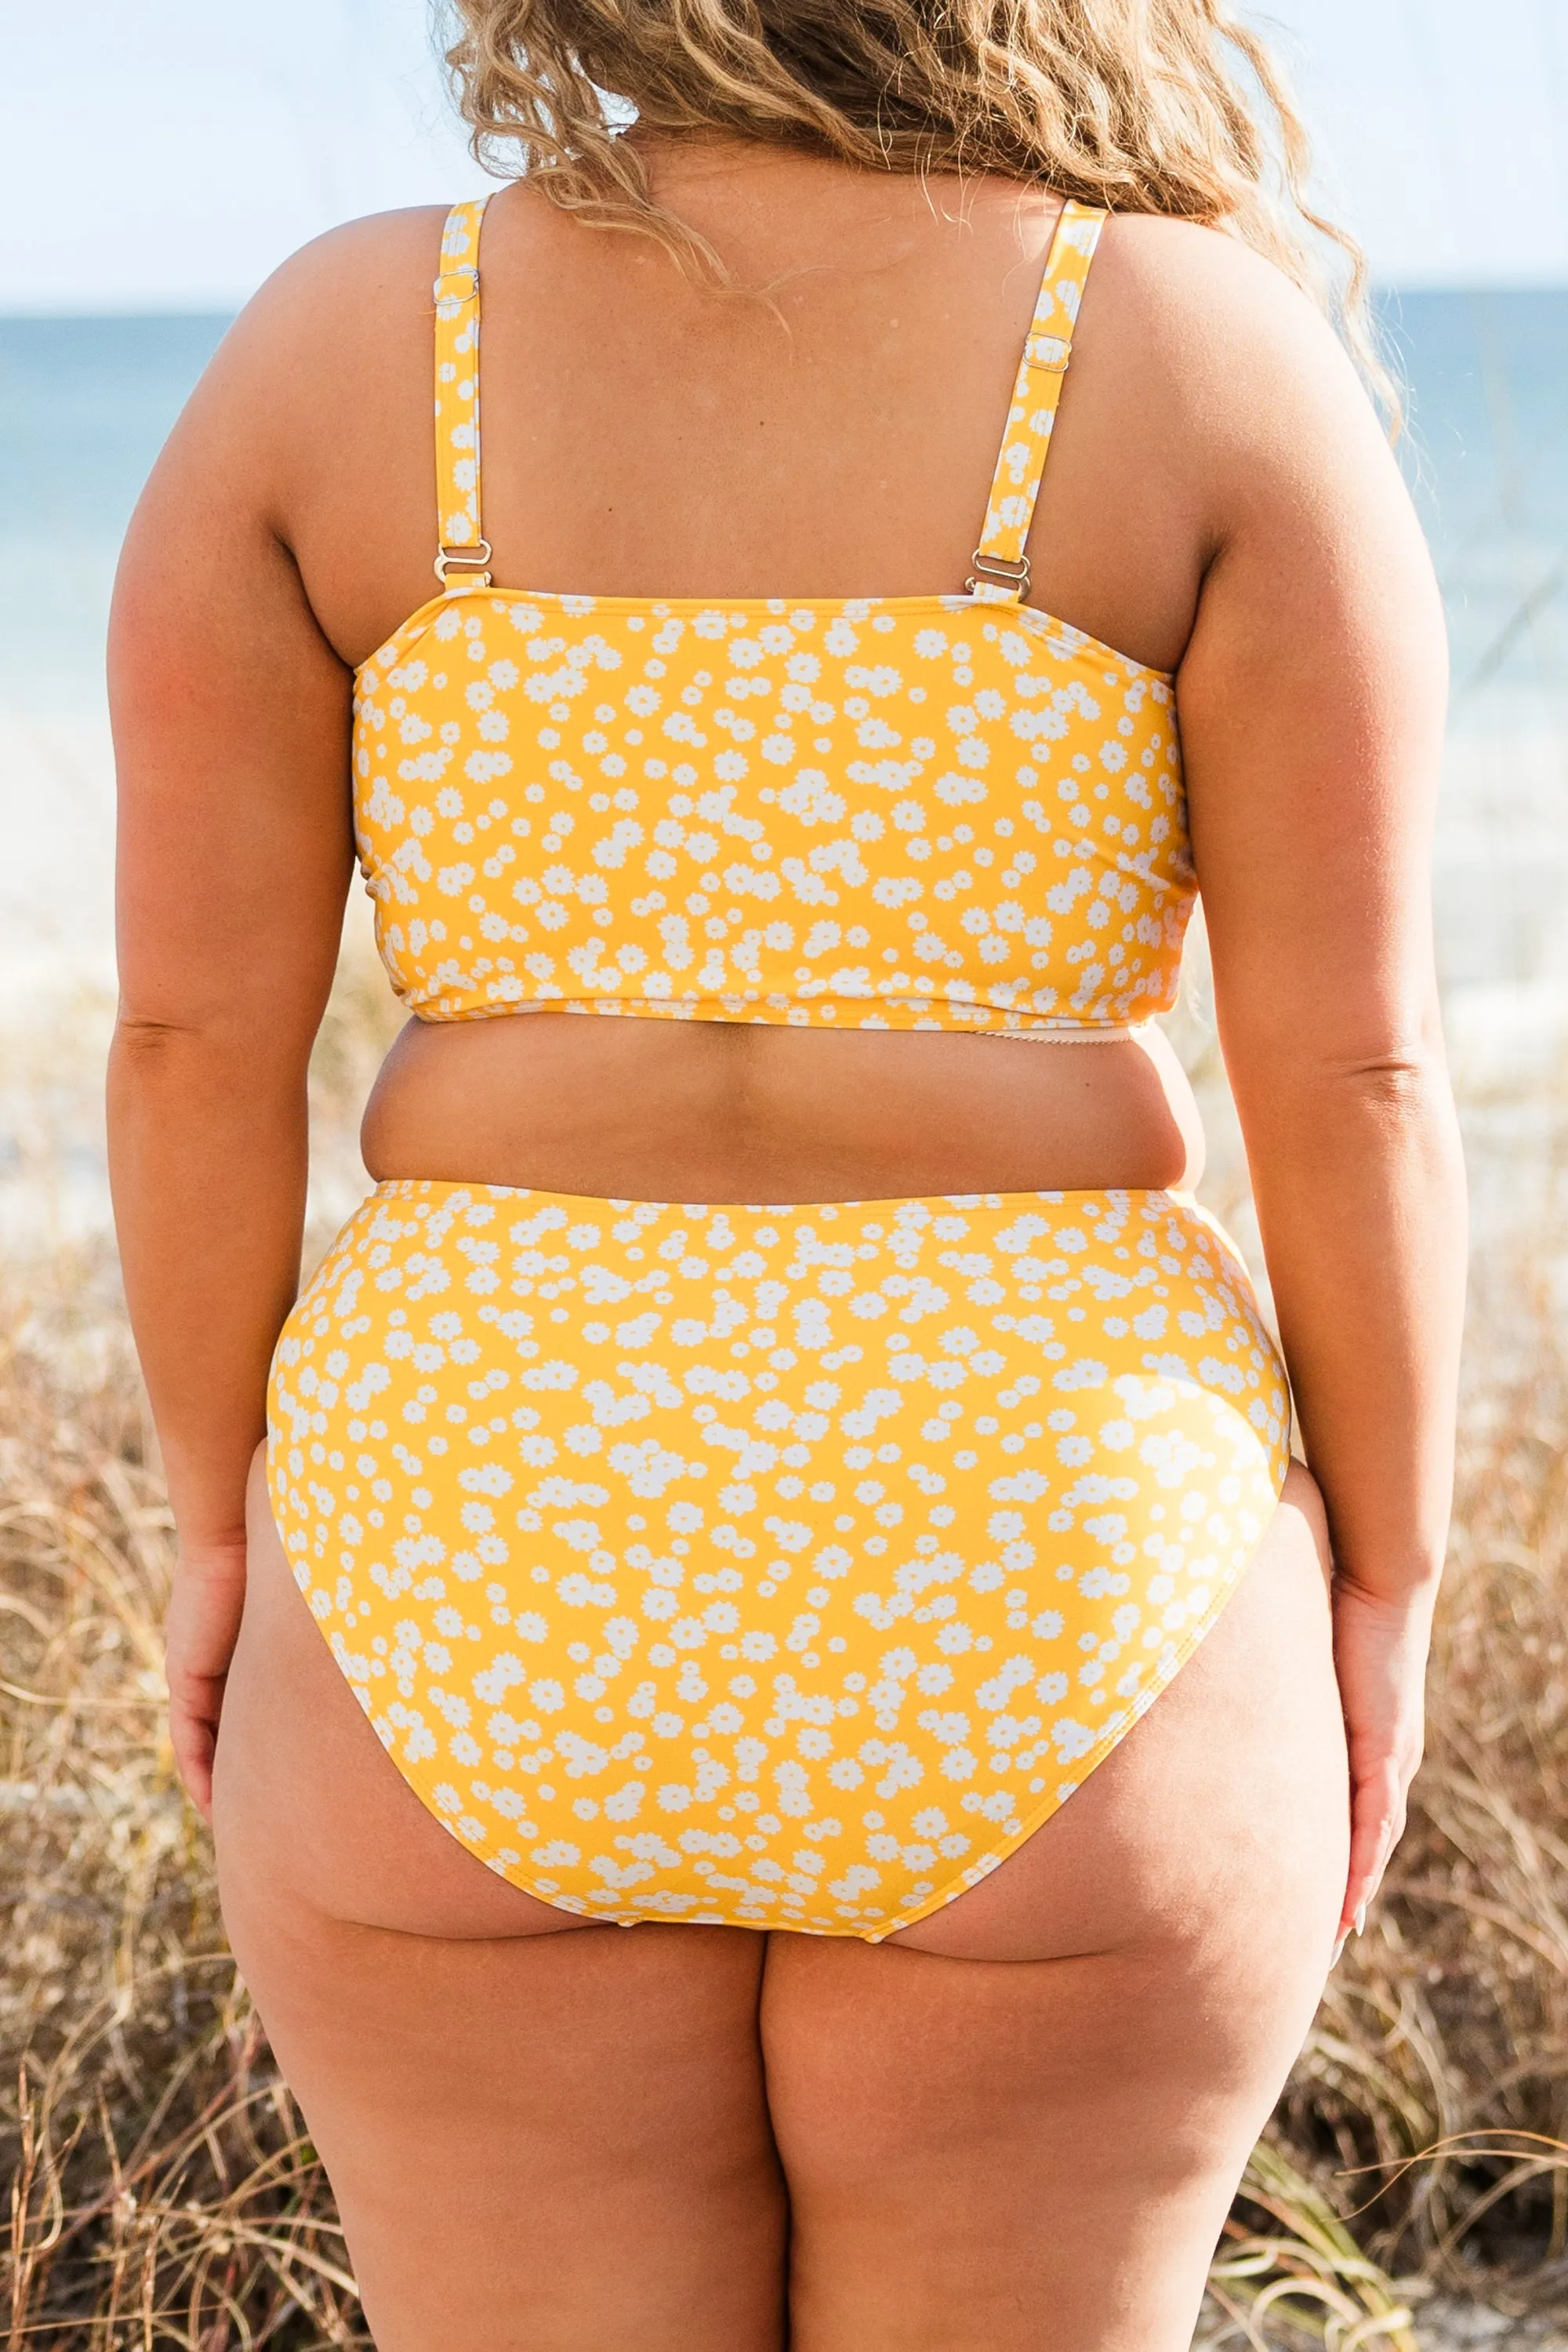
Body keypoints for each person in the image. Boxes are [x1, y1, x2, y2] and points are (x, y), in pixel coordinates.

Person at [107, 1, 1465, 2343]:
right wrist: (1393, 1578)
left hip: (478, 1526)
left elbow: (188, 1046)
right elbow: (1353, 1075)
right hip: (1039, 1533)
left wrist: (221, 1521)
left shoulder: (348, 345)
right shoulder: (1188, 355)